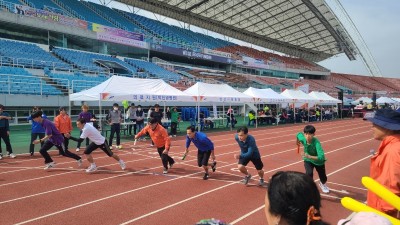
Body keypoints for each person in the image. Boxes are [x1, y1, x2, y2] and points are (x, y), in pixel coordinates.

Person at [366, 108, 400, 218]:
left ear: (388, 128)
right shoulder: (393, 145)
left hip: (383, 214)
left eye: (375, 124)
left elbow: (391, 188)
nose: (372, 127)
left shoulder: (392, 151)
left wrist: (381, 217)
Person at [296, 125, 329, 194]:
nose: (307, 136)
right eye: (306, 134)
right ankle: (309, 187)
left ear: (313, 134)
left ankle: (322, 183)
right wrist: (297, 141)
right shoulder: (303, 138)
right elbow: (298, 134)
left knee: (323, 177)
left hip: (319, 162)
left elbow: (321, 157)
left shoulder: (316, 143)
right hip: (308, 160)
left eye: (310, 134)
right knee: (309, 173)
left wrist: (309, 156)